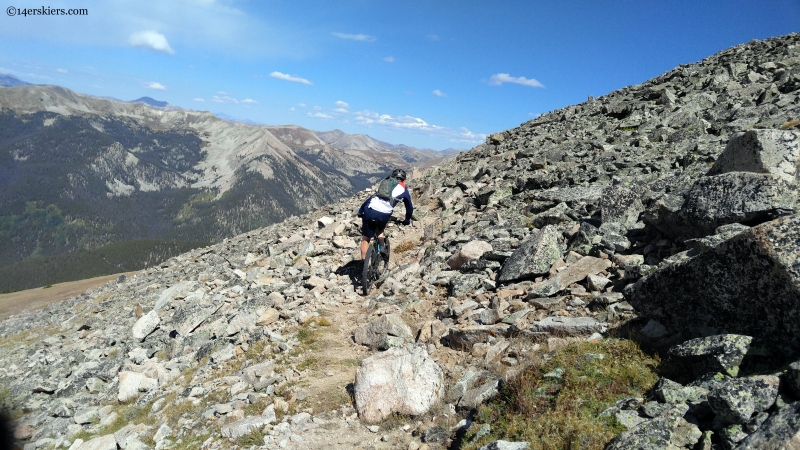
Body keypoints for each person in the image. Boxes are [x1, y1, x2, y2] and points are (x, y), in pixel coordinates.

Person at [357, 168, 414, 260]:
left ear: (392, 177)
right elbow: (409, 207)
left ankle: (364, 265)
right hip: (384, 213)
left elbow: (372, 198)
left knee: (366, 239)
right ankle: (382, 247)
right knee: (380, 229)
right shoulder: (404, 188)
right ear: (404, 179)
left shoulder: (385, 184)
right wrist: (407, 220)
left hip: (370, 209)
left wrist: (360, 211)